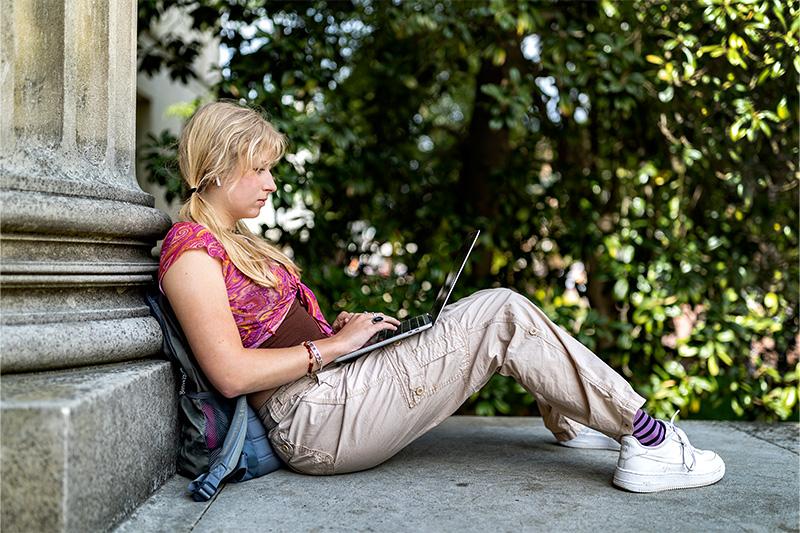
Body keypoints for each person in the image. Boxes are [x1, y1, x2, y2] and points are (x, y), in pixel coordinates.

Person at [159, 101, 725, 493]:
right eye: (259, 169)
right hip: (312, 419)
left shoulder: (231, 242)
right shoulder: (191, 254)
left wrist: (343, 334)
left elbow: (273, 331)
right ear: (216, 169)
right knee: (500, 312)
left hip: (331, 391)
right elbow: (230, 372)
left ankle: (587, 422)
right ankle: (647, 438)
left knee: (483, 314)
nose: (271, 182)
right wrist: (333, 349)